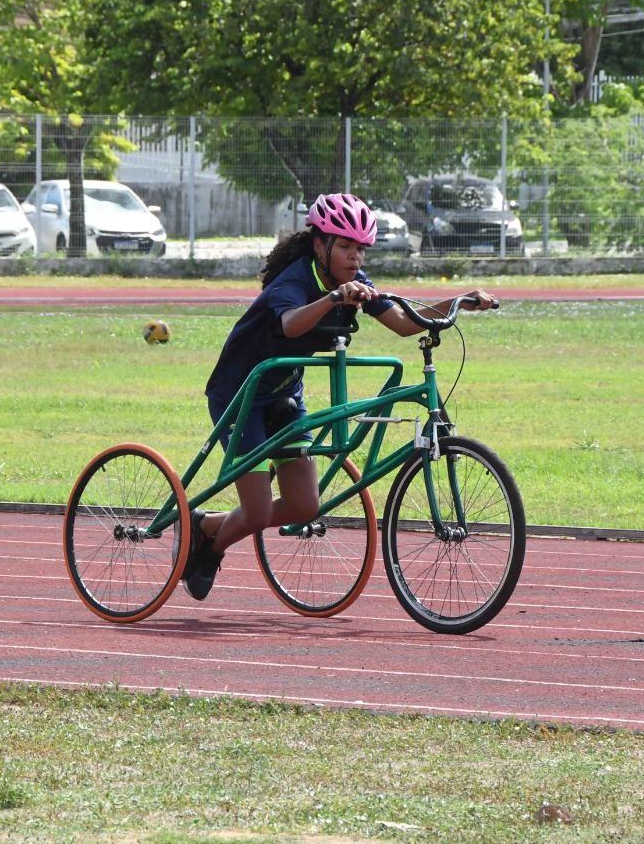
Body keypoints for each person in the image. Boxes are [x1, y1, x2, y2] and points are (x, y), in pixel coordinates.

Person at [183, 193, 497, 601]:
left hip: (283, 394)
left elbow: (405, 324)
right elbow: (292, 325)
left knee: (303, 507)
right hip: (240, 393)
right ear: (320, 246)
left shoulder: (357, 284)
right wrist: (333, 298)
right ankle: (210, 545)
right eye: (346, 246)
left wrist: (460, 301)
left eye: (361, 249)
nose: (355, 257)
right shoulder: (294, 280)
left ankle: (205, 524)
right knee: (258, 512)